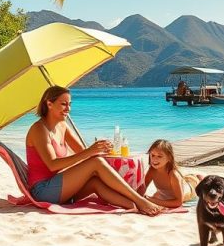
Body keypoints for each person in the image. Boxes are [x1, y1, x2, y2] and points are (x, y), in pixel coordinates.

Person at [25, 86, 162, 215]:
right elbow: (52, 164)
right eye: (63, 104)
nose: (68, 108)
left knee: (95, 181)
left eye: (70, 104)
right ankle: (140, 200)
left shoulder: (62, 126)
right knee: (96, 162)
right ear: (49, 104)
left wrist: (100, 150)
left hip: (61, 187)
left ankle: (134, 206)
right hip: (43, 190)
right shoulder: (39, 129)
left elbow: (83, 152)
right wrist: (91, 152)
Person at [139, 139, 200, 209]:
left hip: (188, 192)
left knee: (194, 182)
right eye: (152, 155)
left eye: (159, 156)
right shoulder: (152, 170)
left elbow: (178, 202)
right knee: (185, 179)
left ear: (169, 158)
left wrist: (152, 200)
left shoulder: (173, 174)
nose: (154, 159)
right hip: (165, 193)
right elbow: (143, 188)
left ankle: (199, 177)